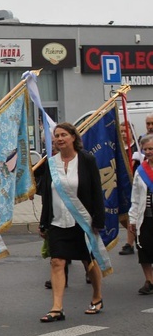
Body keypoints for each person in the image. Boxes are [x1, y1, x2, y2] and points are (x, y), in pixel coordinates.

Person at [38, 122, 108, 322]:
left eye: (64, 135)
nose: (60, 139)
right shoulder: (51, 163)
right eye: (57, 136)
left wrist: (98, 220)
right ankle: (57, 308)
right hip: (58, 221)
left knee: (89, 262)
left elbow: (96, 192)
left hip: (82, 221)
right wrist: (44, 222)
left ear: (73, 138)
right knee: (57, 261)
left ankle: (96, 296)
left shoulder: (86, 160)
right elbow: (47, 196)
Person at [127, 134, 153, 295]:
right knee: (143, 248)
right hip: (145, 216)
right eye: (146, 149)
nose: (149, 152)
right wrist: (133, 218)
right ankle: (149, 281)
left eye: (151, 148)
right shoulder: (140, 170)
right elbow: (135, 197)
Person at [121, 120, 146, 256]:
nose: (124, 134)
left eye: (126, 131)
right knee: (124, 215)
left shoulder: (137, 147)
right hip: (123, 185)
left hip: (136, 184)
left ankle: (129, 243)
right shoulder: (119, 147)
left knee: (134, 210)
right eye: (121, 131)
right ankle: (135, 234)